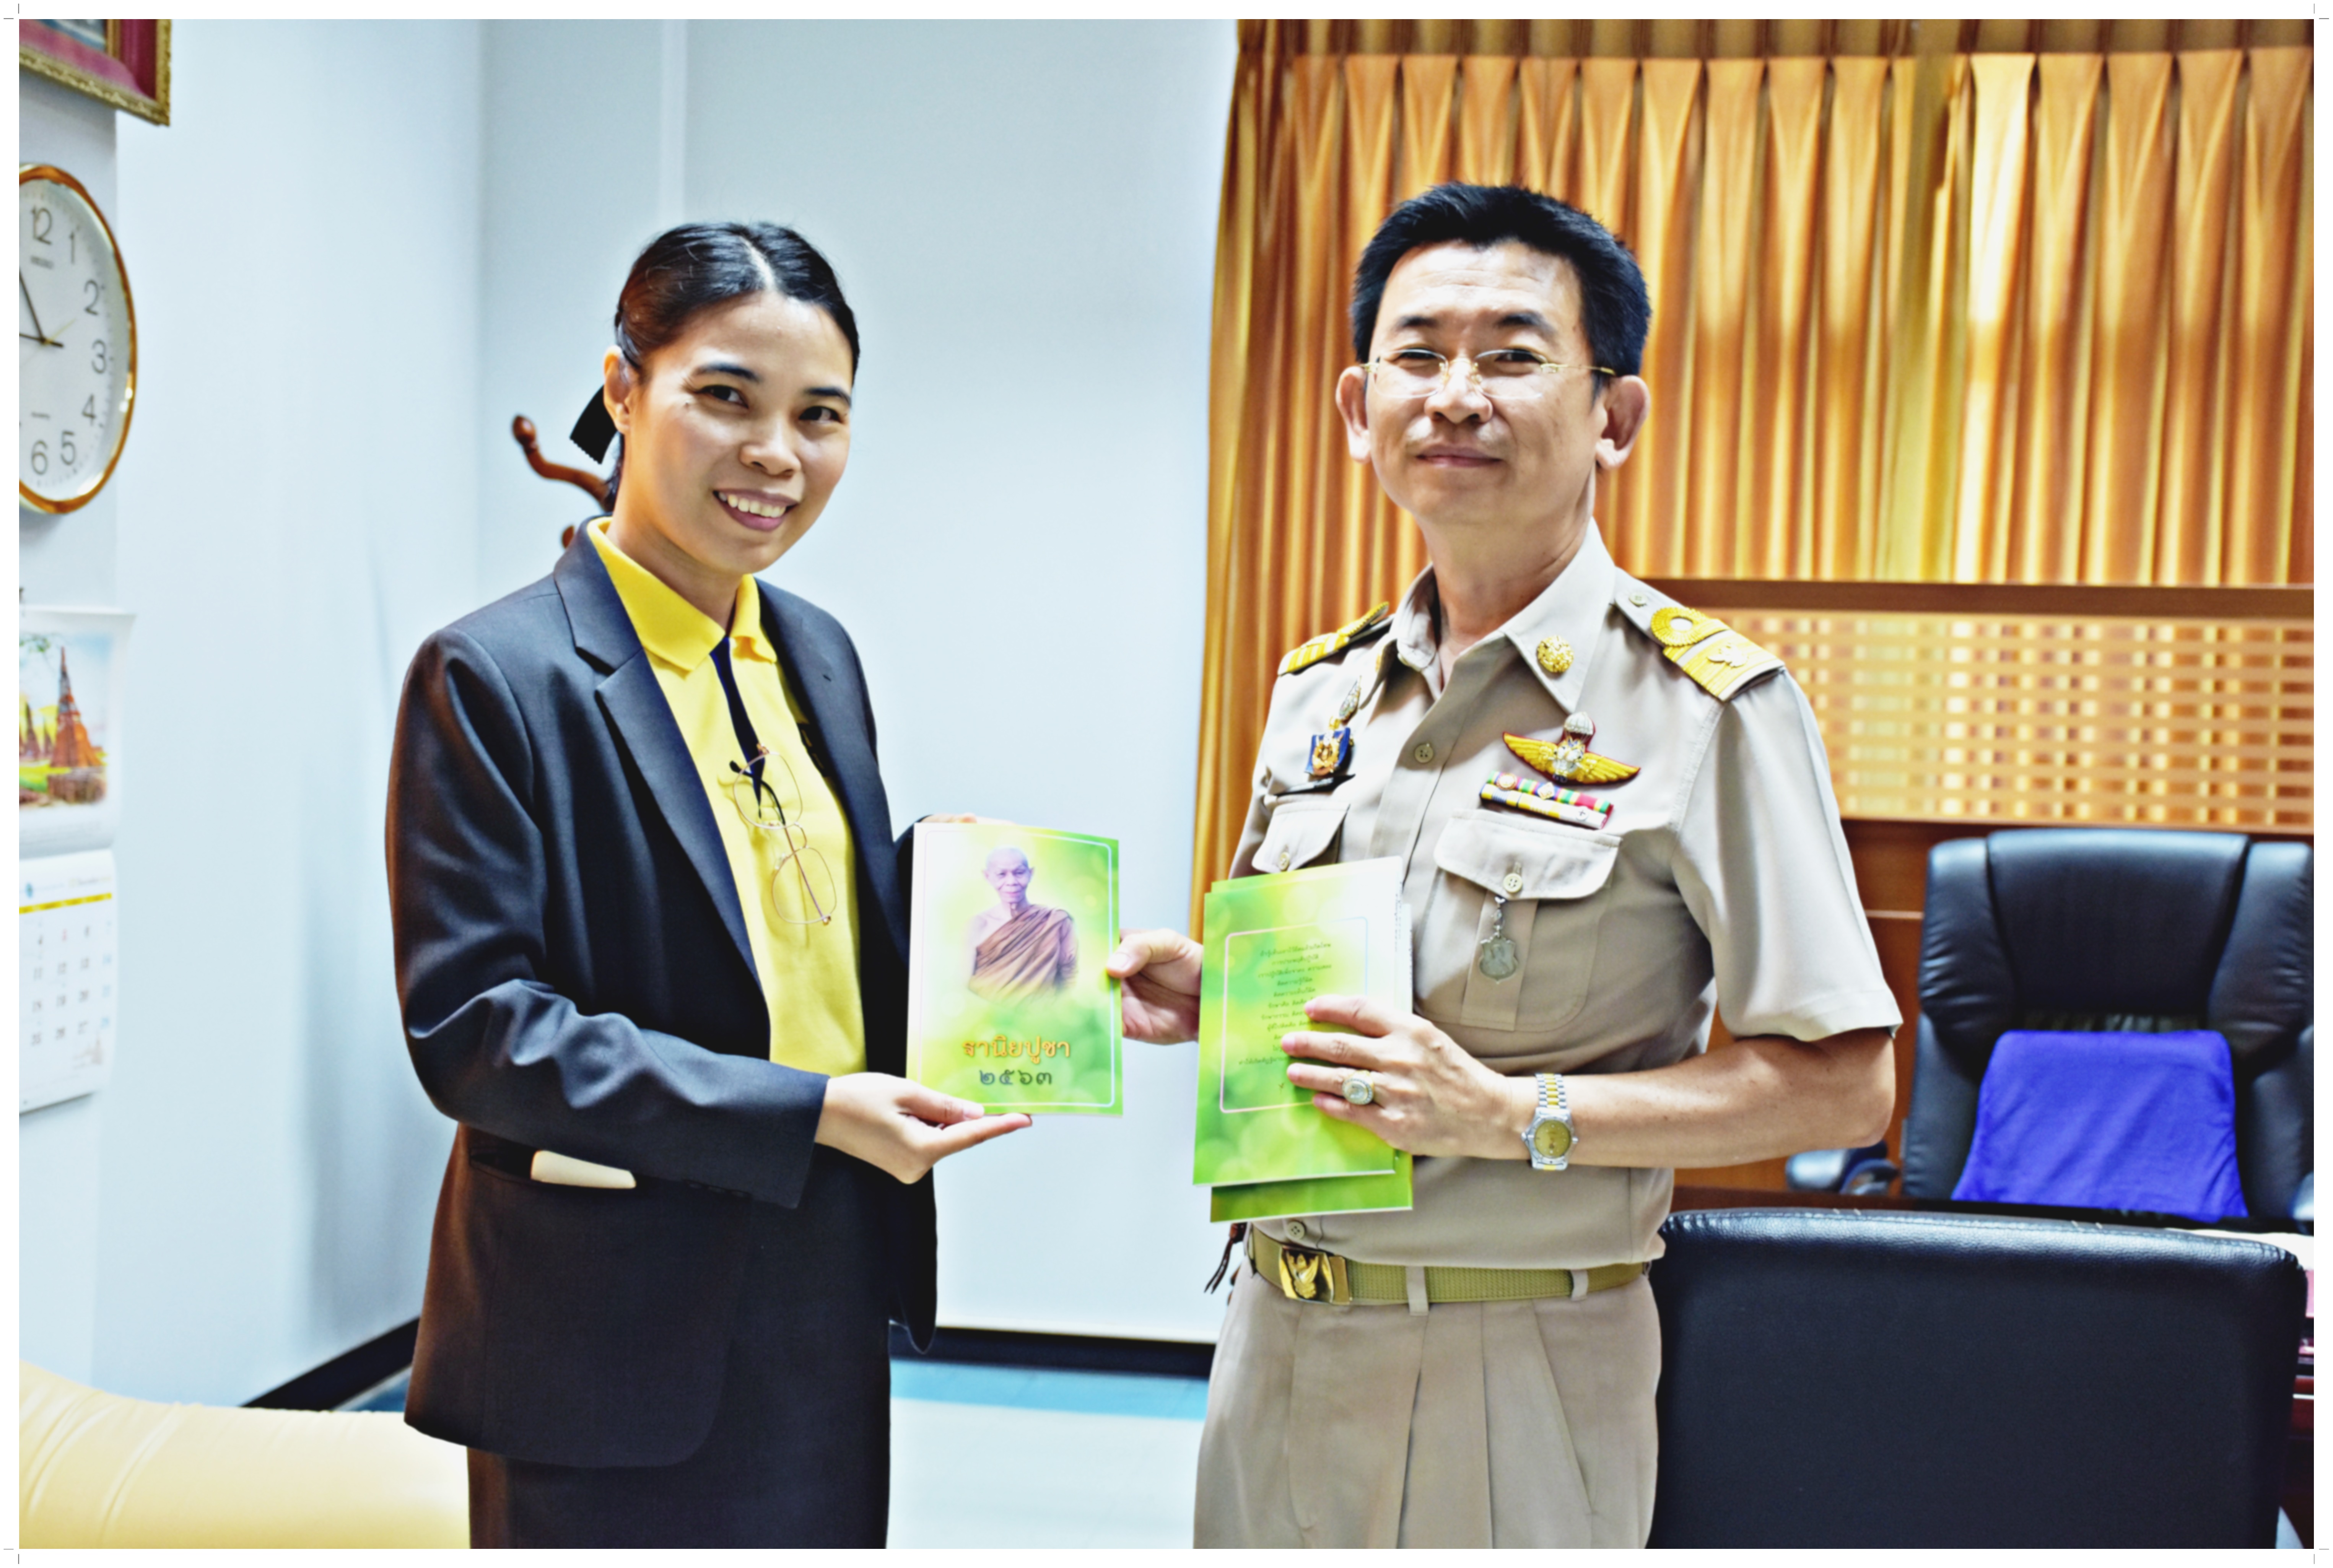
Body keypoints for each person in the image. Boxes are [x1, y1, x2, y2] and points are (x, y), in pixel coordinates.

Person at [1107, 183, 1902, 1548]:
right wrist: (1220, 994)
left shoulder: (1703, 707)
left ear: (1612, 416)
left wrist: (1510, 1112)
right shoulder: (1320, 692)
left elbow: (1842, 1083)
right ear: (1356, 408)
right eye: (1415, 355)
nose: (1454, 395)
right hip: (1271, 1338)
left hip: (1512, 1362)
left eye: (1511, 355)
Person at [386, 222, 1029, 1548]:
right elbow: (480, 1032)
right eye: (727, 397)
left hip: (823, 1277)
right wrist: (808, 1112)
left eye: (820, 415)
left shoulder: (819, 650)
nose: (776, 454)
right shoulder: (495, 675)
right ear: (623, 390)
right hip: (599, 1324)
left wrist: (1009, 938)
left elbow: (796, 925)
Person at [965, 846, 1077, 1000]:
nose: (1011, 882)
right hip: (987, 1011)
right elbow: (965, 985)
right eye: (1001, 874)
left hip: (1043, 1012)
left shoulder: (1056, 921)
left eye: (1019, 873)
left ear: (1031, 874)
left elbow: (1069, 979)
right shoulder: (978, 925)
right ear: (988, 877)